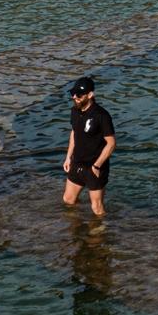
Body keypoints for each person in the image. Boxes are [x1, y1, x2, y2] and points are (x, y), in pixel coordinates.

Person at [62, 76, 116, 216]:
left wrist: (97, 165)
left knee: (97, 208)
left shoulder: (101, 115)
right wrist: (68, 158)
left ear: (90, 95)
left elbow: (111, 144)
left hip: (95, 167)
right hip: (77, 162)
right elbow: (74, 133)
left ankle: (102, 233)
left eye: (79, 94)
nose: (75, 97)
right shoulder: (75, 111)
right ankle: (77, 227)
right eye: (73, 94)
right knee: (68, 200)